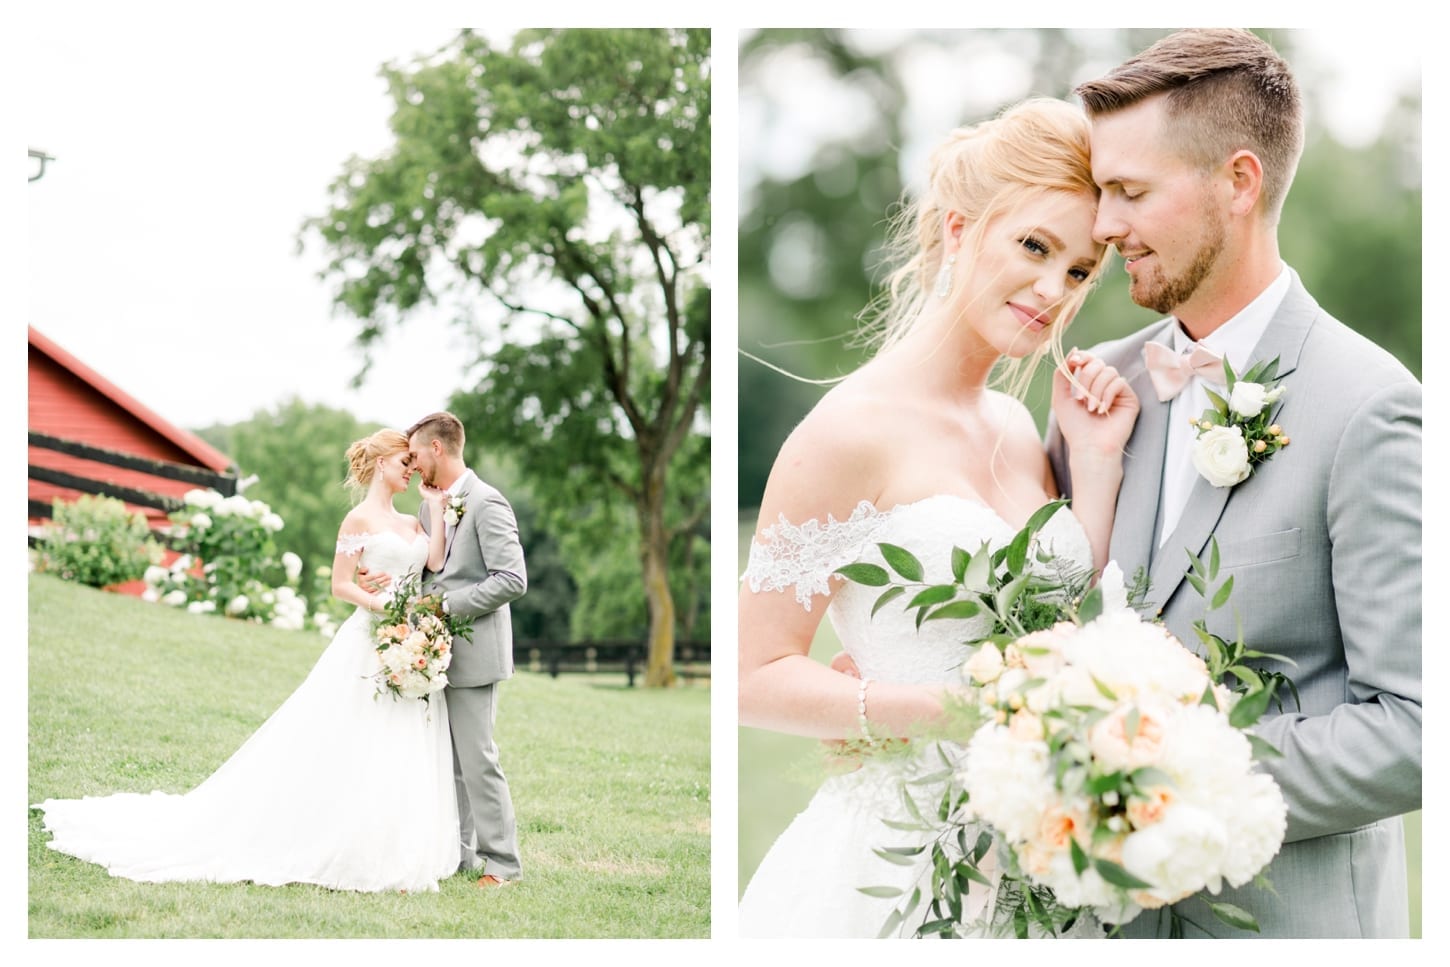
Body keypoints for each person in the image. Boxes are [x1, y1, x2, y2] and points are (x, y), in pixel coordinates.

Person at [1046, 28, 1421, 938]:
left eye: (1129, 192)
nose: (1101, 226)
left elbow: (1416, 726)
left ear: (1240, 182)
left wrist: (1170, 767)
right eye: (1100, 192)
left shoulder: (1372, 407)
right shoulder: (1094, 389)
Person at [737, 98, 1138, 938]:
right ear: (959, 230)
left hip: (1042, 861)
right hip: (900, 868)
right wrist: (940, 711)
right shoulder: (846, 434)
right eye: (1034, 246)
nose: (1051, 289)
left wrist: (1096, 468)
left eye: (1077, 271)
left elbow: (1068, 625)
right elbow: (754, 674)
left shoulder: (1019, 425)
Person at [33, 429, 462, 892]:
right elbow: (341, 586)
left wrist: (436, 509)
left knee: (399, 739)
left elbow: (433, 561)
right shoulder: (358, 520)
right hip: (370, 638)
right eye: (404, 462)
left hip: (407, 641)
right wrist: (385, 608)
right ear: (381, 464)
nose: (411, 470)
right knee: (354, 734)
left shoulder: (413, 522)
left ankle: (395, 843)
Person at [367, 411, 528, 887]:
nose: (412, 464)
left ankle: (503, 863)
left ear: (438, 448)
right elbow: (425, 571)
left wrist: (446, 606)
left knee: (478, 758)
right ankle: (458, 855)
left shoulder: (487, 503)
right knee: (448, 761)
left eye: (416, 454)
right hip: (431, 655)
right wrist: (387, 582)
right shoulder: (427, 507)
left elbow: (512, 579)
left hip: (476, 653)